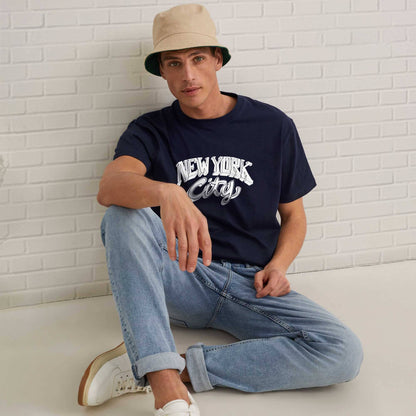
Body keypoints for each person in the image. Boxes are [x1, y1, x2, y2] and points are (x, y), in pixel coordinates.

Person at [77, 4, 363, 416]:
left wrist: (279, 265)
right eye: (174, 63)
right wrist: (168, 193)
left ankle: (161, 366)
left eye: (197, 59)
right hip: (183, 277)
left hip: (252, 284)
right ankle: (165, 387)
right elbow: (109, 188)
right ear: (162, 72)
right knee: (123, 214)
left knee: (342, 351)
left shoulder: (272, 126)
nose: (187, 75)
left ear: (217, 60)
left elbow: (294, 216)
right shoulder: (150, 130)